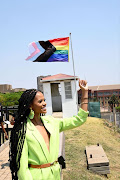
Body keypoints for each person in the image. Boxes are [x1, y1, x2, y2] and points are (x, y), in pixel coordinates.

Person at [9, 79, 88, 180]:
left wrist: (85, 93)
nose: (44, 103)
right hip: (36, 176)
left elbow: (79, 120)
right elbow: (22, 168)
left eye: (44, 100)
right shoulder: (23, 130)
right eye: (40, 101)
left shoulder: (52, 122)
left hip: (55, 174)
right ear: (30, 105)